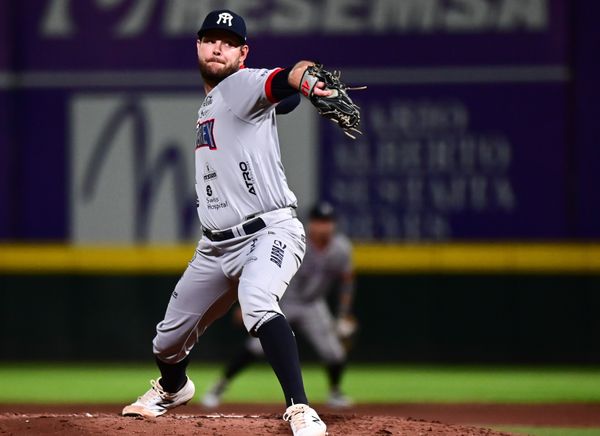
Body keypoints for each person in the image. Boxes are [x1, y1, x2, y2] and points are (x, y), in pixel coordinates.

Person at [120, 8, 358, 436]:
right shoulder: (217, 100)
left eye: (229, 42)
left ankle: (300, 408)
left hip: (269, 231)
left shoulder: (241, 83)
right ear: (197, 45)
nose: (218, 46)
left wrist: (307, 80)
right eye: (210, 38)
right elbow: (278, 99)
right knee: (167, 341)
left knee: (257, 300)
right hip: (215, 247)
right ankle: (173, 388)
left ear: (242, 53)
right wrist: (292, 92)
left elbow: (289, 76)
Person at [202, 202, 356, 409]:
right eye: (319, 221)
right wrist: (247, 304)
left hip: (313, 305)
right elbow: (259, 266)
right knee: (256, 347)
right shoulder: (294, 239)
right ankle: (219, 387)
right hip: (283, 300)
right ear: (311, 224)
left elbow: (347, 280)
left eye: (328, 222)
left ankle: (335, 393)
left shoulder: (341, 249)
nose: (324, 226)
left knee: (334, 352)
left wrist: (344, 313)